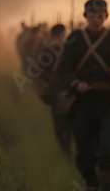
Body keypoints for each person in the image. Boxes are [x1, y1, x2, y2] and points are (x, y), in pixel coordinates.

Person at [58, 0, 110, 191]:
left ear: (106, 17)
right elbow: (63, 69)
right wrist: (75, 83)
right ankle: (90, 185)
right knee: (85, 153)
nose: (95, 20)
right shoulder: (74, 38)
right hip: (82, 101)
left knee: (109, 150)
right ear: (85, 16)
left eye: (99, 16)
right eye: (91, 16)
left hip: (108, 102)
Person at [37, 24, 73, 155]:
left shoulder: (70, 50)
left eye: (62, 36)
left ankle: (69, 147)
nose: (59, 39)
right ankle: (65, 149)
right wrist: (50, 78)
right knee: (58, 123)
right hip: (55, 90)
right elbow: (40, 70)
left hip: (70, 89)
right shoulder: (47, 51)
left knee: (69, 122)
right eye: (57, 36)